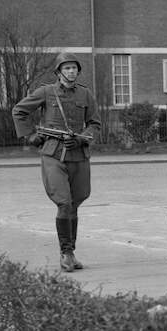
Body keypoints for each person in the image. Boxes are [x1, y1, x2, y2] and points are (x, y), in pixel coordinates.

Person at [12, 52, 101, 273]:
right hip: (53, 154)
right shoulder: (46, 92)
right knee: (64, 202)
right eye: (67, 68)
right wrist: (30, 136)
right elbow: (19, 111)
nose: (71, 72)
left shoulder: (86, 94)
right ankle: (66, 253)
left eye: (74, 68)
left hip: (78, 154)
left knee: (76, 201)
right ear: (59, 72)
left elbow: (95, 124)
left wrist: (81, 138)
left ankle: (71, 251)